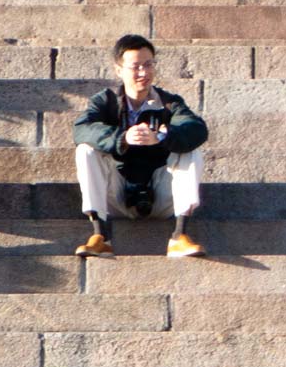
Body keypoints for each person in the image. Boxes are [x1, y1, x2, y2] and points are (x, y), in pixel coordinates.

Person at [73, 33, 207, 259]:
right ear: (119, 70)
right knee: (85, 150)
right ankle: (100, 236)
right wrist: (122, 138)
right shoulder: (105, 101)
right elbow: (81, 129)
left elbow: (197, 129)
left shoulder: (169, 103)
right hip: (116, 193)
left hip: (161, 194)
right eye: (135, 67)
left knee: (190, 151)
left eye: (148, 65)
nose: (143, 73)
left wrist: (163, 138)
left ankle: (179, 236)